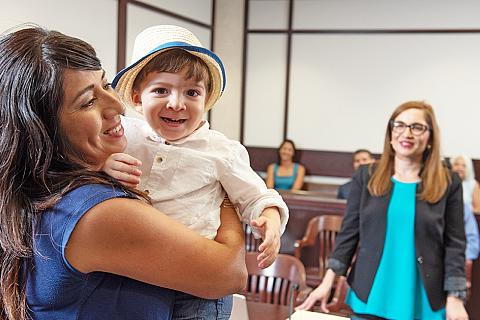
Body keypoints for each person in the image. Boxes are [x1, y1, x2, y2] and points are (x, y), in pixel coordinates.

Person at [0, 26, 248, 320]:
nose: (117, 105)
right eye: (88, 101)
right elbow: (229, 274)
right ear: (43, 129)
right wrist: (225, 195)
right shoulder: (97, 213)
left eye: (105, 85)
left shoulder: (41, 191)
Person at [103, 25, 289, 319]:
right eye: (161, 90)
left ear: (205, 101)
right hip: (139, 275)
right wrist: (105, 166)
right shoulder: (125, 137)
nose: (177, 103)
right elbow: (85, 167)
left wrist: (270, 219)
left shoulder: (220, 150)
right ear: (138, 98)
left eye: (192, 92)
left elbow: (256, 194)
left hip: (199, 287)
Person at [297, 101, 468, 320]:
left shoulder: (448, 182)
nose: (407, 133)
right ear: (390, 133)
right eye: (399, 125)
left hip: (423, 297)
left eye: (417, 127)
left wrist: (455, 297)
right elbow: (348, 234)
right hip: (372, 293)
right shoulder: (367, 176)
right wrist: (327, 282)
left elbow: (455, 244)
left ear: (430, 138)